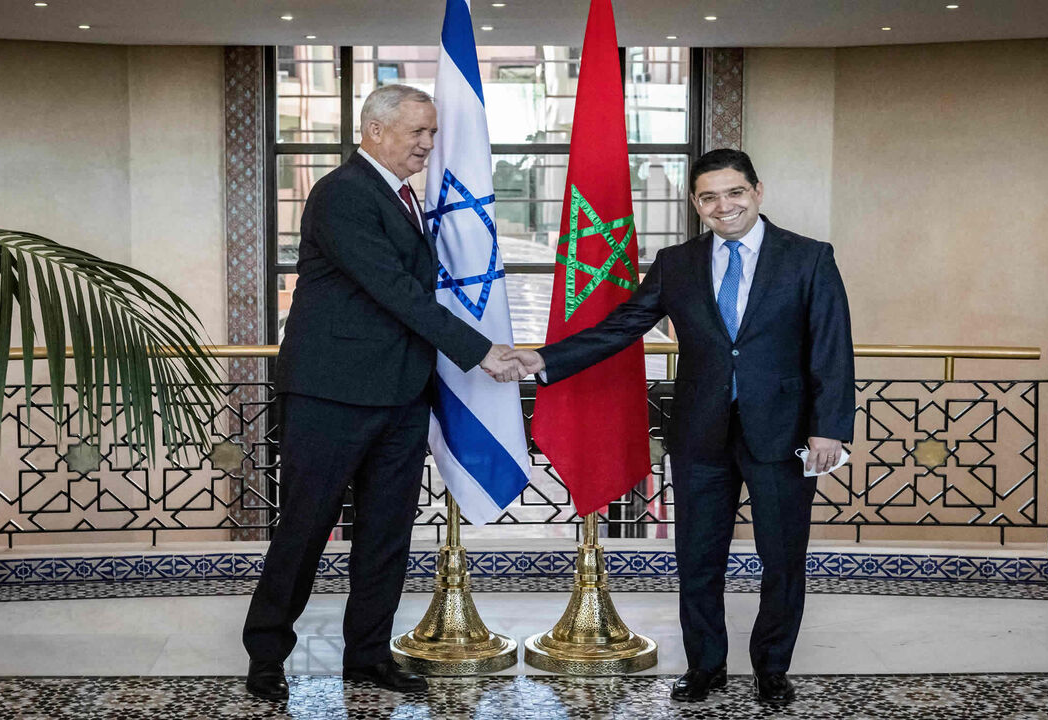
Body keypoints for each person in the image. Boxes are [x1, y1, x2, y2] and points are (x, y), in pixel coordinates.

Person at [502, 149, 854, 705]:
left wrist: (829, 428)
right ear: (695, 204)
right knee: (697, 556)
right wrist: (547, 359)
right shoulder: (676, 263)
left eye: (734, 192)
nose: (724, 206)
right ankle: (705, 666)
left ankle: (772, 668)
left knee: (782, 557)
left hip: (782, 434)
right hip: (699, 435)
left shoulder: (808, 258)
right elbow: (624, 325)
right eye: (709, 197)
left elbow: (832, 348)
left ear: (757, 192)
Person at [242, 84, 520, 701]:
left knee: (386, 536)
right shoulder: (342, 193)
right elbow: (394, 288)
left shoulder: (405, 197)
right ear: (374, 130)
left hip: (399, 396)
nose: (428, 144)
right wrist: (480, 350)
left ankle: (367, 657)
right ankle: (266, 656)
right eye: (417, 132)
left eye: (431, 133)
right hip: (331, 396)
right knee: (306, 530)